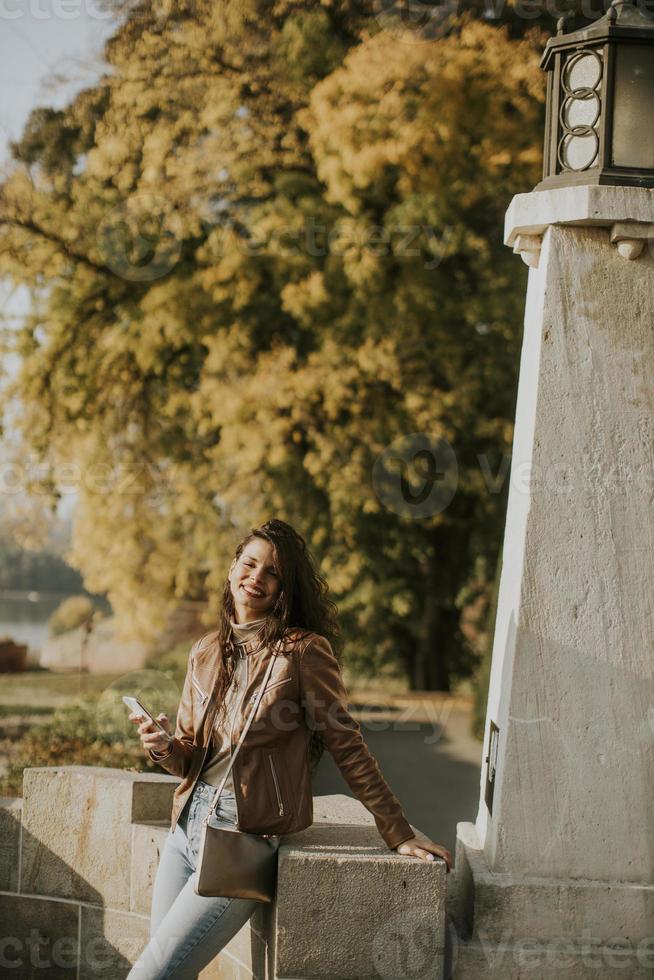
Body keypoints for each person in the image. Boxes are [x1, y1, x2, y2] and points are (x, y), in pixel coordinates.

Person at [127, 518, 452, 979]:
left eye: (272, 572)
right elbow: (191, 759)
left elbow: (347, 744)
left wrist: (397, 831)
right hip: (185, 829)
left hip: (242, 836)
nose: (256, 577)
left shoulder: (301, 652)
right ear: (231, 570)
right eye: (249, 563)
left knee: (148, 976)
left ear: (285, 587)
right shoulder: (204, 651)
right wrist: (163, 747)